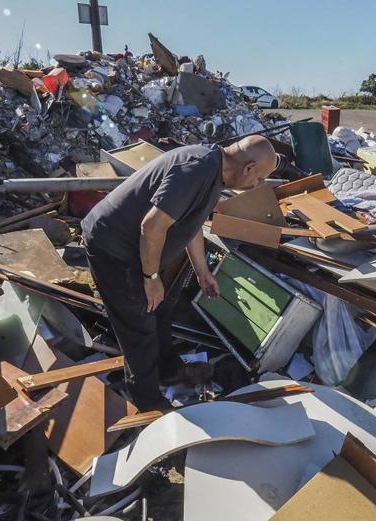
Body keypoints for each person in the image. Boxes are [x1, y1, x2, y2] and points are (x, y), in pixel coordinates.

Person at [81, 136, 278, 410]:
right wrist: (151, 278)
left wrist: (202, 272)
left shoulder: (215, 172)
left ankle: (170, 371)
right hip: (113, 246)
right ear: (248, 167)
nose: (257, 185)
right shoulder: (196, 169)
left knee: (160, 310)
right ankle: (149, 403)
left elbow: (191, 224)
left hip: (139, 248)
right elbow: (152, 226)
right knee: (138, 324)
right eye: (259, 179)